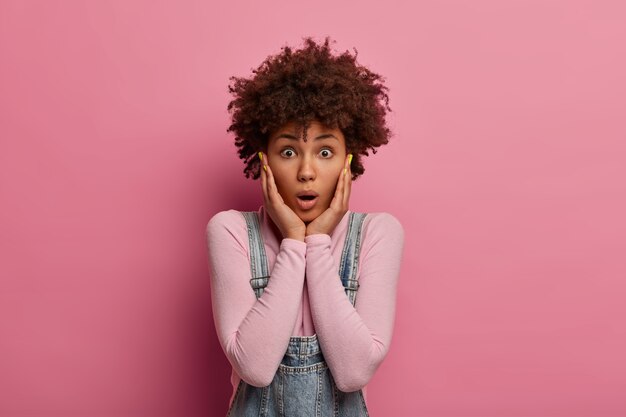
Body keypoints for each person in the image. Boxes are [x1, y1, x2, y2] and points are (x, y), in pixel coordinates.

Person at [206, 36, 404, 417]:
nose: (307, 172)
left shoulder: (378, 233)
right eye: (288, 152)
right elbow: (256, 369)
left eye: (325, 152)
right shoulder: (230, 231)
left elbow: (353, 373)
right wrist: (295, 241)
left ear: (349, 159)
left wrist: (316, 241)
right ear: (263, 160)